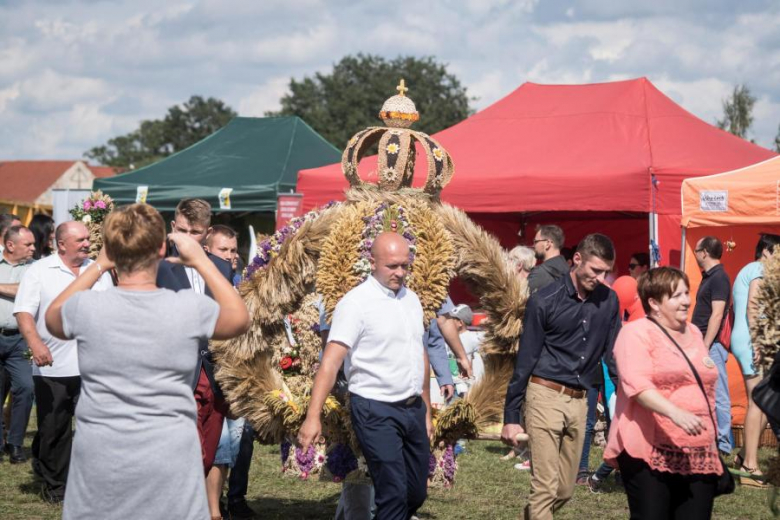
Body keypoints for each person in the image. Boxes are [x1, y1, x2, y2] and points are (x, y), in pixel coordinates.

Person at [43, 203, 249, 520]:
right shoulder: (186, 308)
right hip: (169, 452)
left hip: (102, 453)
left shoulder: (87, 307)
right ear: (161, 247)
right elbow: (239, 318)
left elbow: (53, 318)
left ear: (111, 248)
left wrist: (98, 264)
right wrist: (202, 261)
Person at [299, 232, 432, 520]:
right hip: (375, 409)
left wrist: (427, 410)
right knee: (392, 493)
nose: (400, 273)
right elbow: (330, 363)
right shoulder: (356, 303)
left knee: (416, 492)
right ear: (372, 263)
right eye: (392, 266)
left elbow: (418, 353)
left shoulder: (412, 299)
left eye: (404, 266)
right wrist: (313, 416)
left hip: (412, 408)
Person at [501, 233, 621, 520]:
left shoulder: (610, 301)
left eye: (606, 271)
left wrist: (629, 395)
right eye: (595, 270)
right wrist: (511, 417)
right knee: (544, 488)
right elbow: (525, 360)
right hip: (544, 394)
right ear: (577, 259)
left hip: (581, 400)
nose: (601, 277)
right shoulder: (544, 300)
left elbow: (613, 355)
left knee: (565, 490)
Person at [604, 267, 722, 519]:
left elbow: (705, 382)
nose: (686, 301)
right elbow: (637, 386)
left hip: (698, 451)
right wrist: (676, 414)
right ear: (654, 303)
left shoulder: (694, 332)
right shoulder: (634, 334)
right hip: (648, 450)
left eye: (687, 293)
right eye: (676, 295)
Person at [14, 221, 113, 503]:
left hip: (93, 366)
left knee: (94, 428)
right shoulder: (40, 271)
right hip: (53, 364)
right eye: (80, 239)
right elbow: (24, 313)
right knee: (54, 428)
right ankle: (56, 486)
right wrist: (35, 344)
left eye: (87, 239)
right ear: (61, 244)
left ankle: (87, 483)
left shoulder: (97, 270)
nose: (86, 243)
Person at [156, 198, 235, 519]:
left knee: (209, 451)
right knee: (176, 451)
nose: (187, 237)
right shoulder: (155, 264)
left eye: (196, 231)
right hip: (173, 373)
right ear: (172, 226)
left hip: (213, 372)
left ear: (207, 233)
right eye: (181, 229)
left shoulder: (221, 268)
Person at [204, 223, 257, 520]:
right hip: (211, 372)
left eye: (233, 250)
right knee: (220, 442)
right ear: (207, 250)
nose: (229, 255)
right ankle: (214, 507)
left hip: (239, 373)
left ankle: (236, 497)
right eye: (223, 250)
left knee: (242, 437)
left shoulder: (239, 281)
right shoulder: (202, 282)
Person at [731, 233, 780, 485]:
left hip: (749, 339)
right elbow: (753, 305)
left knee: (761, 400)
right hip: (751, 340)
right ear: (766, 252)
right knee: (757, 402)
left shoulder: (750, 269)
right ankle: (750, 466)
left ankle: (742, 456)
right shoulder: (758, 268)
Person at [692, 236, 732, 455]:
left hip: (712, 345)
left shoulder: (718, 278)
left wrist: (706, 344)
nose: (696, 254)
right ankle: (712, 439)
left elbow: (717, 315)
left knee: (720, 395)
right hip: (706, 343)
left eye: (697, 250)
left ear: (705, 252)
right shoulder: (710, 277)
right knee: (707, 394)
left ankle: (724, 445)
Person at [0, 226, 36, 463]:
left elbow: (28, 291)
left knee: (26, 388)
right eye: (28, 244)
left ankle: (15, 443)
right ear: (10, 245)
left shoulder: (35, 268)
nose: (34, 248)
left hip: (19, 338)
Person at [526, 225, 568, 293]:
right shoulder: (569, 270)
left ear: (547, 244)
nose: (533, 246)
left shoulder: (539, 274)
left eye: (536, 241)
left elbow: (522, 299)